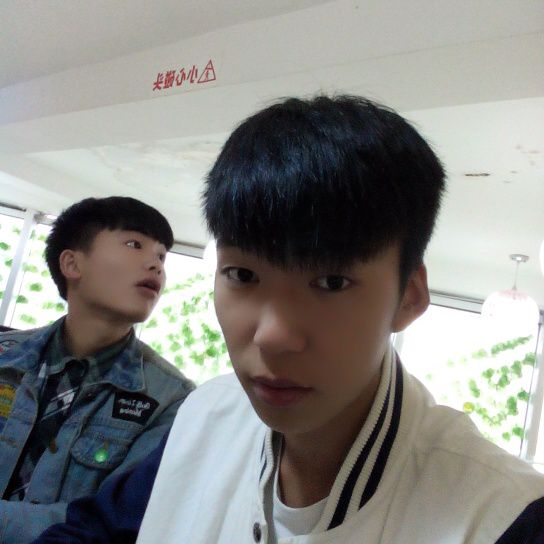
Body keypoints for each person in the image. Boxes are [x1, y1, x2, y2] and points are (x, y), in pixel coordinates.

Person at [34, 96, 544, 544]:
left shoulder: (503, 518)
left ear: (408, 297)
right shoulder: (205, 416)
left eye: (332, 282)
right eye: (243, 274)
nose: (273, 336)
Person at [0, 196, 194, 543]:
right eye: (135, 244)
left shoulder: (170, 399)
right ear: (72, 264)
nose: (156, 265)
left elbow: (109, 523)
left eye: (162, 256)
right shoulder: (5, 357)